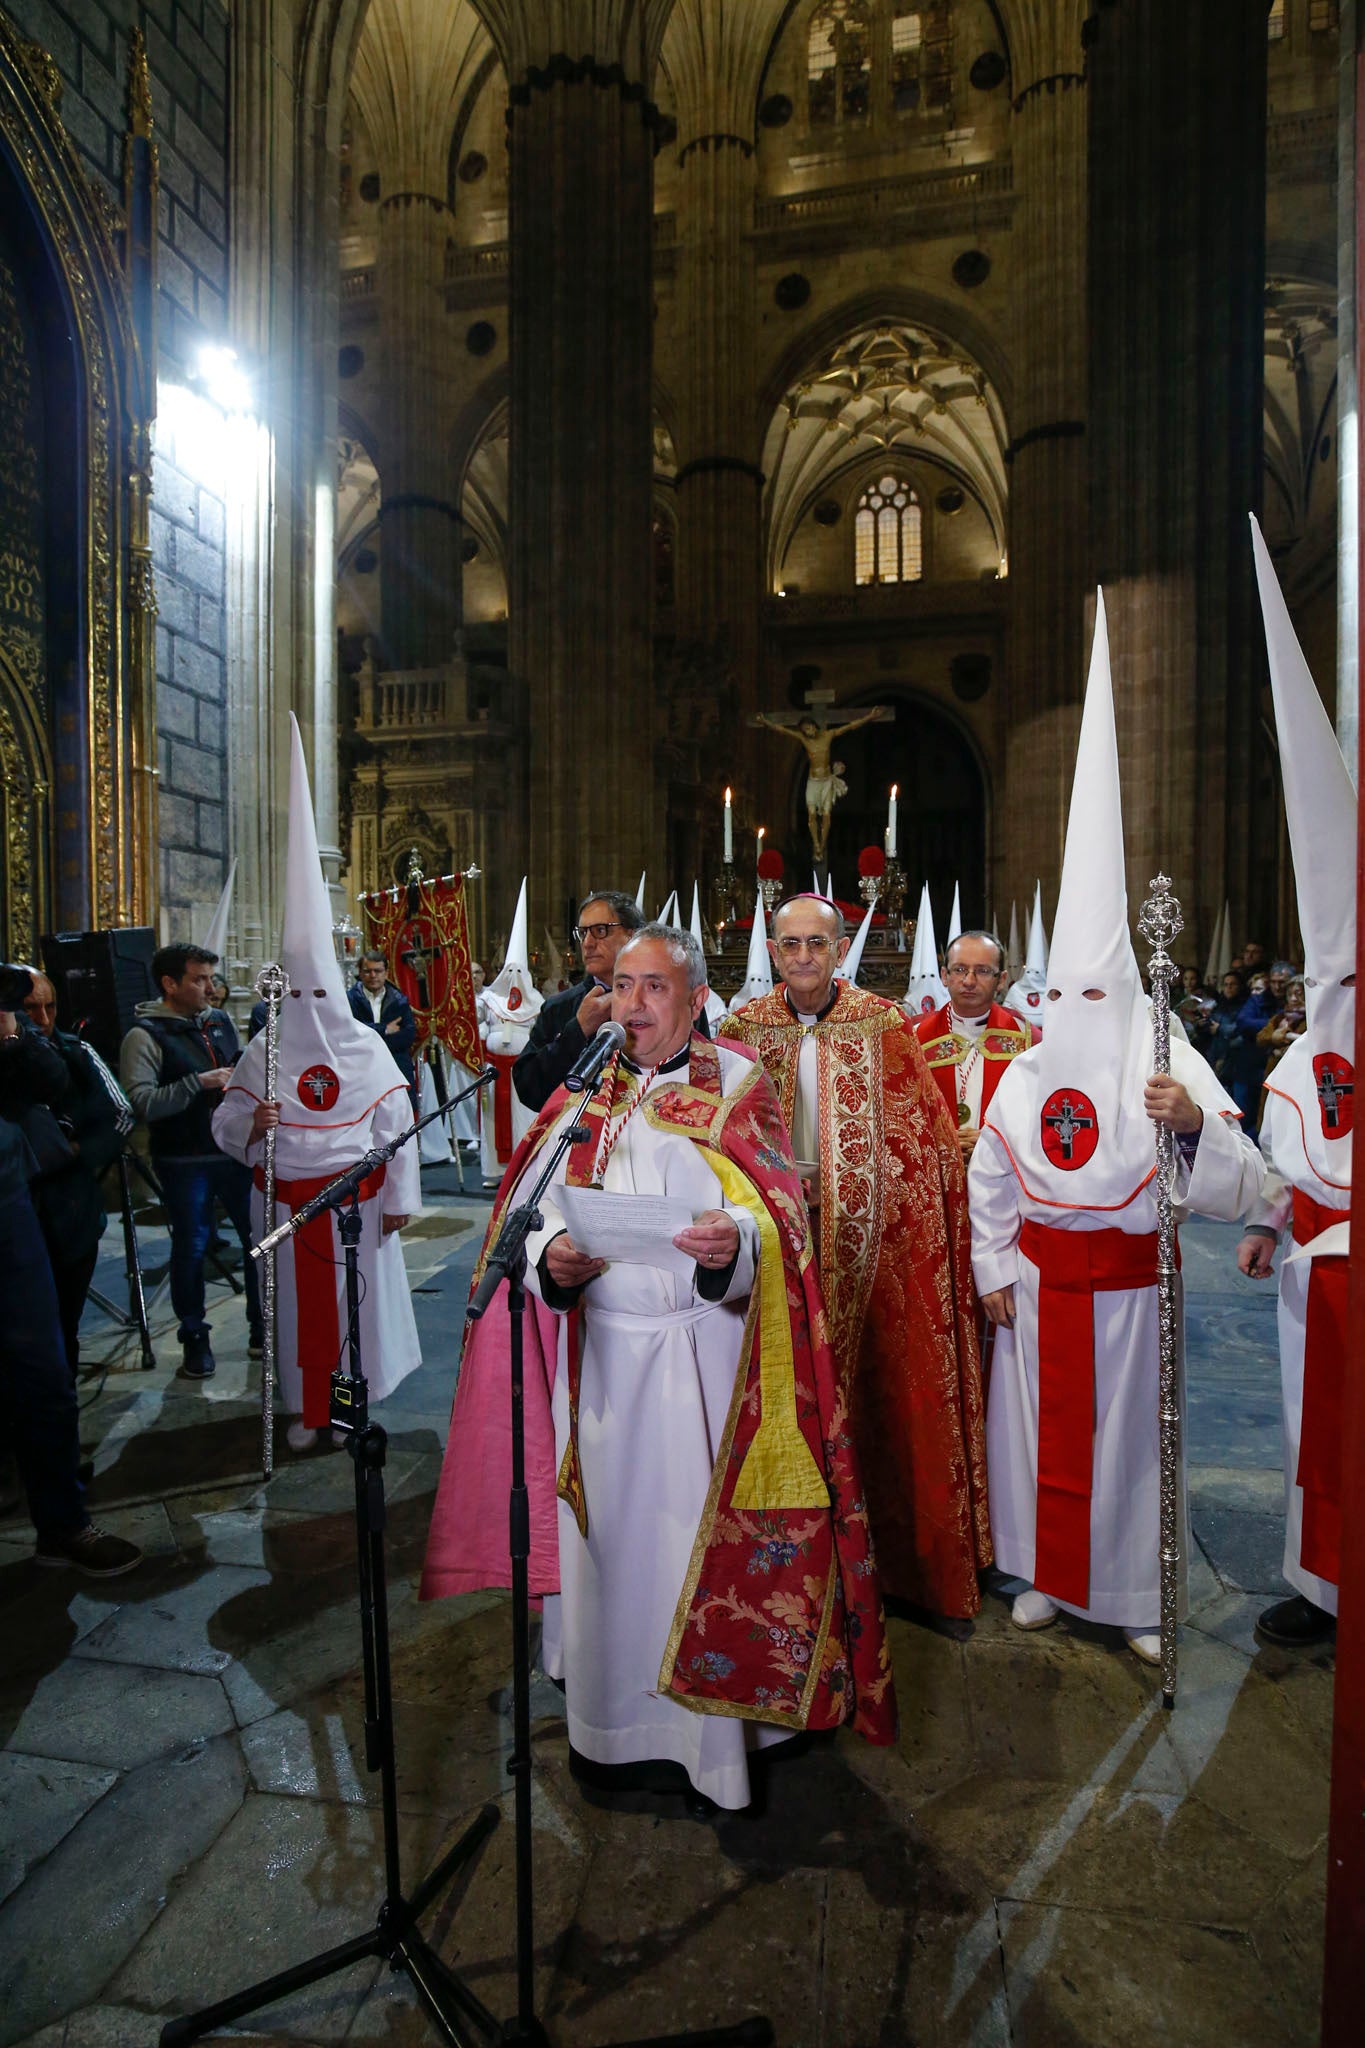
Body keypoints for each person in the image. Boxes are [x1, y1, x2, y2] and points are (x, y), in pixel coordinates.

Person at [422, 924, 895, 1813]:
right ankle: (611, 1725)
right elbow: (524, 1216)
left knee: (687, 1545)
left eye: (653, 989)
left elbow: (781, 1224)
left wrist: (732, 1244)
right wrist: (551, 1260)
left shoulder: (739, 1085)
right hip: (601, 1365)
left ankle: (713, 1739)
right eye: (621, 985)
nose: (631, 1005)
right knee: (610, 1547)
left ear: (694, 999)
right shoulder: (581, 1093)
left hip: (704, 1363)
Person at [969, 594, 1264, 1665]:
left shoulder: (1164, 1046)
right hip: (1045, 1287)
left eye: (1107, 987)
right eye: (1073, 988)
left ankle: (1138, 1591)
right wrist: (992, 1263)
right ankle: (1050, 1572)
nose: (1087, 1007)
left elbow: (1248, 1176)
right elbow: (990, 1176)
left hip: (1138, 1286)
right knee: (1043, 1438)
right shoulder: (1028, 1065)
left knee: (1134, 1443)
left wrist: (1191, 1124)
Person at [724, 892, 991, 1626]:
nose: (803, 957)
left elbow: (925, 1142)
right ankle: (794, 1567)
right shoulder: (742, 1030)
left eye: (817, 944)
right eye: (789, 945)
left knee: (880, 1389)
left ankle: (900, 1569)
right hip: (775, 1245)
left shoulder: (883, 1024)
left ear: (841, 950)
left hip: (870, 1246)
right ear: (773, 951)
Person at [214, 716, 421, 1452]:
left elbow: (396, 1129)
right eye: (292, 995)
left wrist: (399, 1201)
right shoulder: (265, 1049)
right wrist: (252, 1128)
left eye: (317, 994)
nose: (306, 1011)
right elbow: (226, 1126)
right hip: (283, 1205)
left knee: (352, 1312)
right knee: (296, 1317)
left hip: (354, 1211)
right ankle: (308, 1414)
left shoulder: (365, 1047)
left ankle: (345, 1411)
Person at [1235, 518, 1353, 1650]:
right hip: (1310, 1284)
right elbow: (1281, 1163)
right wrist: (1275, 1218)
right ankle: (1320, 1586)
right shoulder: (1298, 1056)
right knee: (1309, 1426)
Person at [0, 970, 141, 1576]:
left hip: (8, 1207)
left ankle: (62, 1524)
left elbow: (54, 1080)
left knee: (45, 1368)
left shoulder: (24, 1035)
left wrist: (11, 1030)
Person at [120, 943, 262, 1381]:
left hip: (233, 1152)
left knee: (259, 1238)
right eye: (198, 979)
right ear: (170, 984)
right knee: (193, 1247)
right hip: (185, 1159)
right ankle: (195, 1337)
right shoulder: (144, 1035)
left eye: (209, 978)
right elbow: (140, 1102)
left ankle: (262, 1328)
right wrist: (196, 1083)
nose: (209, 987)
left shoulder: (218, 1022)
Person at [21, 971, 132, 1378]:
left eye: (50, 1006)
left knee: (63, 1320)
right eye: (31, 1008)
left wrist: (75, 1152)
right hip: (17, 1207)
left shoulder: (77, 1052)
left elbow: (120, 1114)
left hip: (69, 1210)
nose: (43, 1018)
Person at [512, 890, 644, 1112]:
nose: (588, 943)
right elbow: (529, 1089)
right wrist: (578, 1029)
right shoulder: (559, 1007)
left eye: (600, 931)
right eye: (583, 933)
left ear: (631, 936)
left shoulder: (666, 1001)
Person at [916, 931, 1037, 1163]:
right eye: (960, 969)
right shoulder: (915, 1038)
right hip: (938, 1177)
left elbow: (1039, 1115)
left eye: (982, 971)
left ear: (1001, 980)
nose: (969, 981)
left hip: (1002, 1174)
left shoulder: (1028, 1040)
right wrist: (942, 1141)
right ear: (944, 975)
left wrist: (994, 1141)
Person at [479, 880, 544, 1185]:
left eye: (520, 973)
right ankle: (494, 1170)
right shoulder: (490, 1000)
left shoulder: (537, 1004)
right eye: (510, 972)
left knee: (521, 1119)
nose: (514, 979)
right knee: (493, 1122)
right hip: (494, 1070)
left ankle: (521, 1169)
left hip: (522, 1071)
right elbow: (474, 1026)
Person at [347, 949, 418, 1105]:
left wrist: (369, 1039)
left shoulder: (400, 1000)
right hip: (361, 1069)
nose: (373, 976)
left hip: (395, 1067)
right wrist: (384, 1029)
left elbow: (408, 1036)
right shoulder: (349, 999)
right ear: (360, 972)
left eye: (378, 971)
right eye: (367, 971)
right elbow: (349, 1032)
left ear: (386, 972)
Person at [1256, 976, 1306, 1083]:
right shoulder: (1280, 1017)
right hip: (1275, 1073)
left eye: (1299, 994)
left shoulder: (1311, 1019)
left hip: (1299, 1074)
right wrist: (1273, 1037)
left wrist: (1286, 1043)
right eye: (1289, 994)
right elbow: (1261, 1037)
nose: (1293, 998)